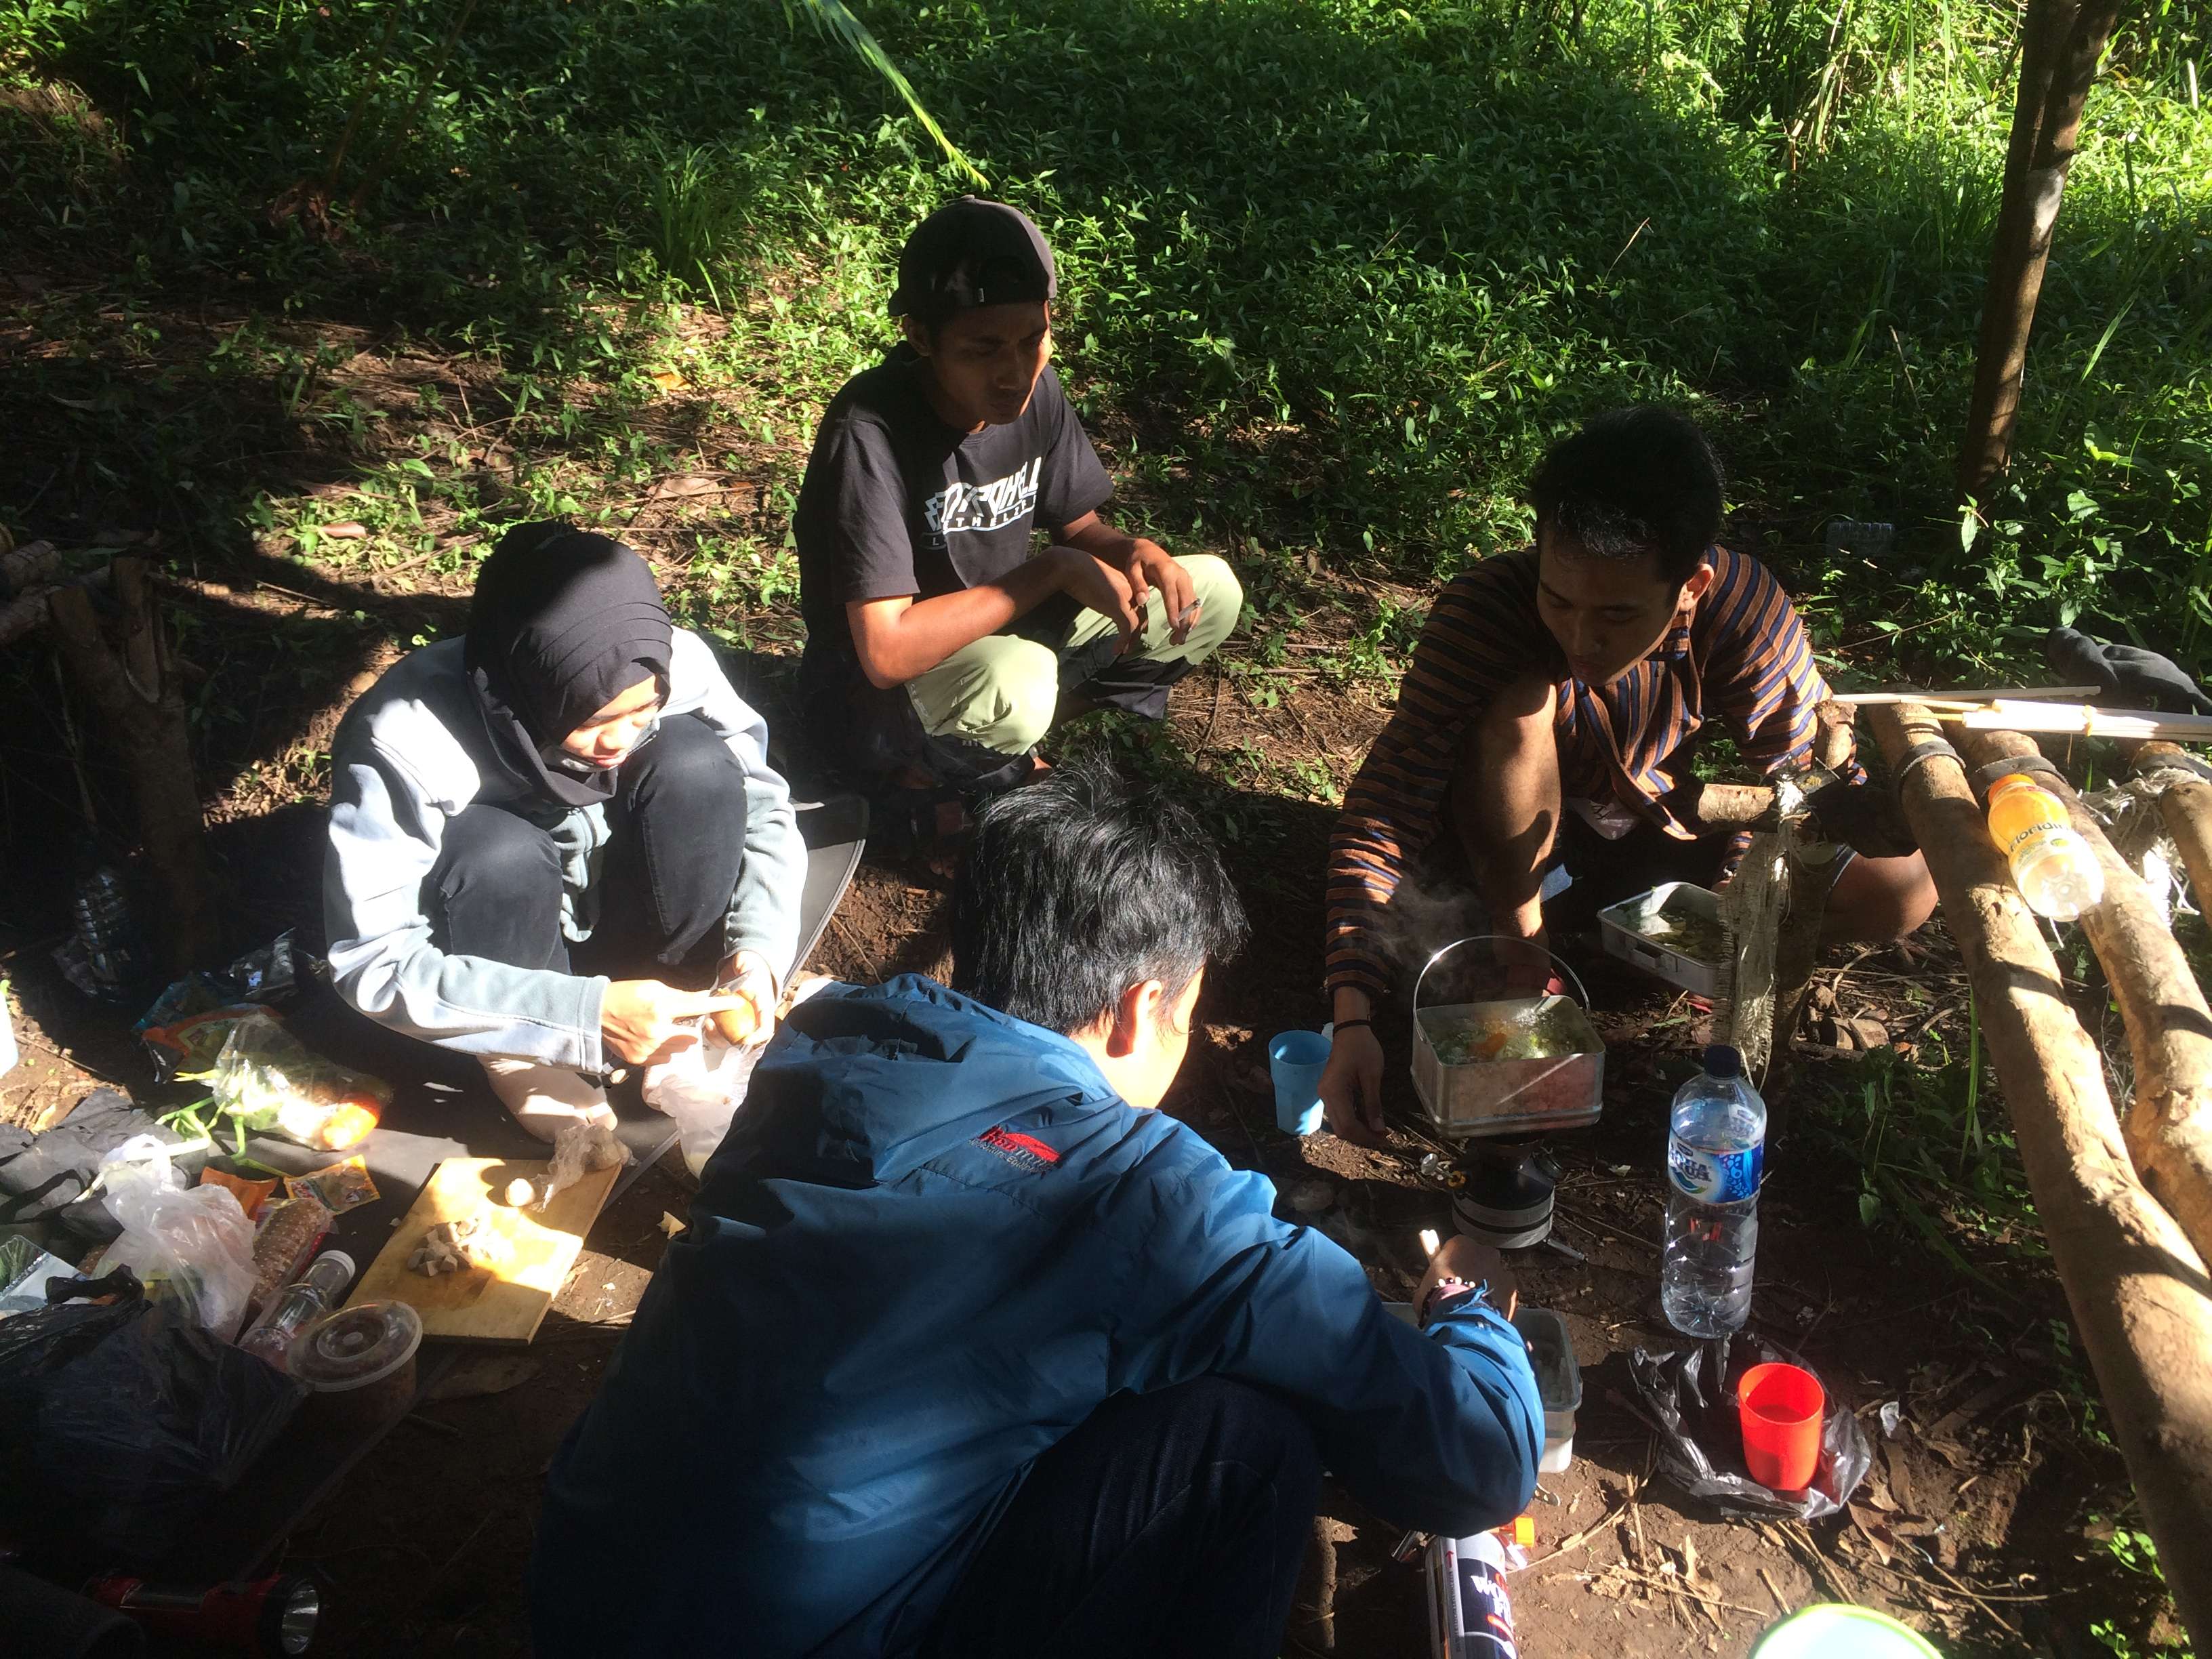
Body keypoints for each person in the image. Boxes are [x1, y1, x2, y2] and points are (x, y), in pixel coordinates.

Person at [530, 756, 1541, 1659]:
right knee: (1245, 1439)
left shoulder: (824, 1045)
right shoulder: (1144, 1196)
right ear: (1145, 1006)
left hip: (582, 1604)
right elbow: (1480, 1462)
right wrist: (1464, 1314)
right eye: (1187, 1014)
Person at [1321, 407, 1935, 1143]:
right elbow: (1389, 801)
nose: (1581, 638)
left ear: (1692, 583)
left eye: (1616, 613)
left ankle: (1638, 944)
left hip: (1649, 827)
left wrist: (1729, 910)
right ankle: (1526, 942)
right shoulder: (1487, 613)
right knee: (1522, 705)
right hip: (1498, 855)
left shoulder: (1743, 613)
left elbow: (1802, 786)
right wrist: (1350, 1010)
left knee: (1904, 890)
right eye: (1560, 599)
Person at [323, 523, 807, 1139]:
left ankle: (679, 995)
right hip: (498, 934)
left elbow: (765, 807)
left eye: (643, 711)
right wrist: (576, 1016)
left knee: (697, 762)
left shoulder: (669, 663)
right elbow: (371, 959)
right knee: (495, 853)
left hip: (618, 891)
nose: (620, 740)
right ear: (523, 691)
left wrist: (759, 949)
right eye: (593, 719)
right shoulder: (405, 740)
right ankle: (520, 1053)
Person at [793, 196, 1242, 804]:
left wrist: (1134, 550)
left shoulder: (1036, 391)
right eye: (982, 350)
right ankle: (917, 781)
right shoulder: (871, 431)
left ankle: (1003, 749)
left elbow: (1078, 525)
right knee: (1017, 679)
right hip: (873, 697)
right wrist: (1055, 569)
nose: (1013, 373)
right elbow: (885, 652)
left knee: (1206, 590)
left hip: (997, 641)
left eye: (1032, 340)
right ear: (921, 336)